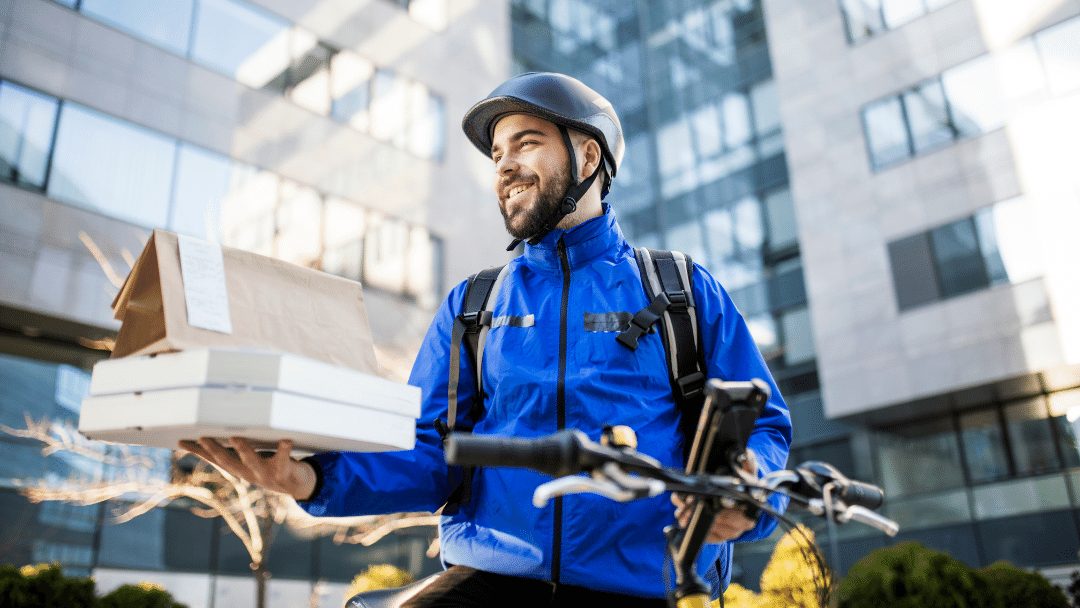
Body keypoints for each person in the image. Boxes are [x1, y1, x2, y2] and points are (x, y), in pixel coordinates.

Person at [181, 72, 791, 607]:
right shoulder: (474, 305)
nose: (503, 165)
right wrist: (313, 481)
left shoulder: (680, 289)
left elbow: (764, 427)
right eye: (496, 152)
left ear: (588, 158)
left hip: (642, 585)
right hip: (492, 576)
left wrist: (748, 497)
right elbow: (429, 452)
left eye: (526, 142)